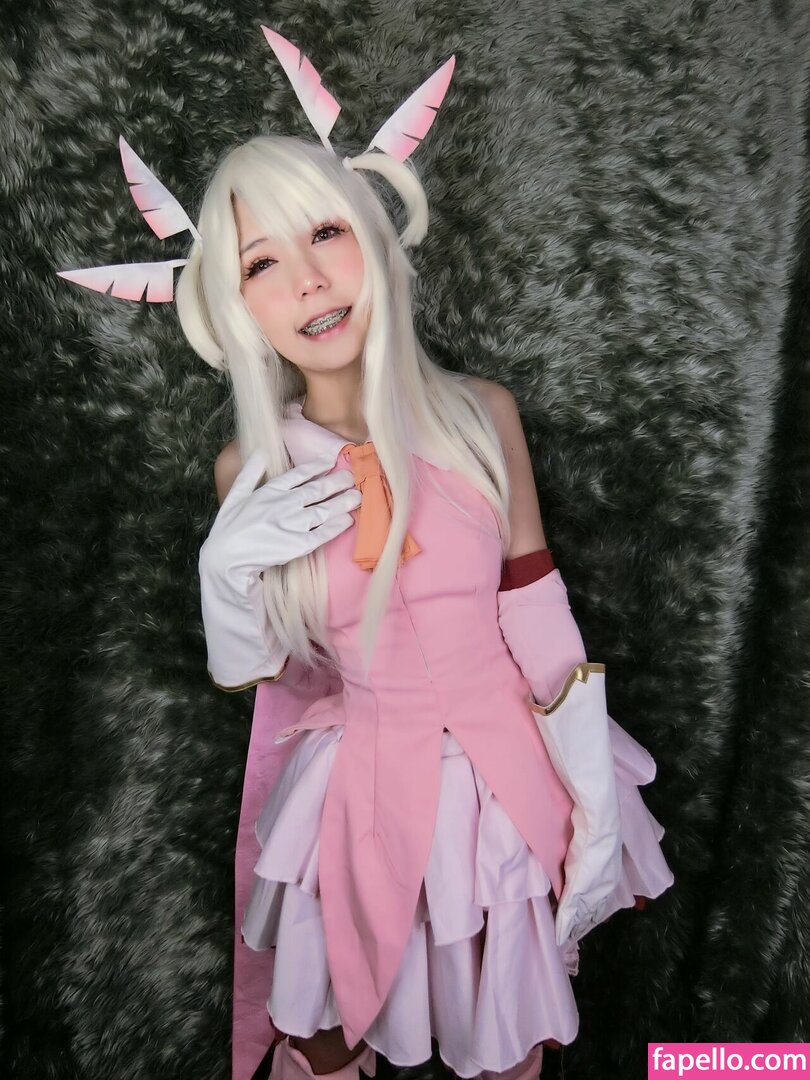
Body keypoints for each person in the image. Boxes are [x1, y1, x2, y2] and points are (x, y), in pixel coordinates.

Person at [57, 29, 674, 1080]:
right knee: (326, 1031)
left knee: (505, 1032)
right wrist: (221, 580)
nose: (307, 282)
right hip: (360, 787)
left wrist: (590, 791)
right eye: (262, 263)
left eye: (326, 234)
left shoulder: (483, 414)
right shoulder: (248, 469)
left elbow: (534, 606)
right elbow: (260, 673)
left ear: (375, 240)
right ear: (239, 306)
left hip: (502, 780)